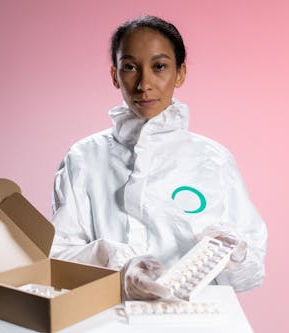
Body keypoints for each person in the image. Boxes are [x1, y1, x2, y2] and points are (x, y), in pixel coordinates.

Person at [50, 15, 267, 300]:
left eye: (159, 66)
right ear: (115, 76)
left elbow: (250, 273)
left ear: (180, 73)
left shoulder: (213, 160)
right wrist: (117, 265)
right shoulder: (83, 158)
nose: (144, 83)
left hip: (194, 317)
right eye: (130, 67)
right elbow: (58, 259)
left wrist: (235, 254)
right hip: (110, 315)